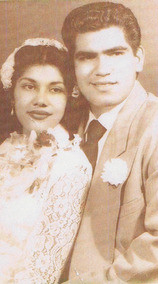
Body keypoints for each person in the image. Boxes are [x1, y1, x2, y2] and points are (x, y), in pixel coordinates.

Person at [61, 2, 158, 283]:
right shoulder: (62, 131)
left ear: (138, 58)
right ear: (73, 65)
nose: (102, 69)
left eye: (115, 53)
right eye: (87, 57)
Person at [0, 38, 92, 283]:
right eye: (29, 86)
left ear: (68, 98)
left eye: (55, 89)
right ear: (12, 95)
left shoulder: (71, 167)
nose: (40, 100)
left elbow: (40, 276)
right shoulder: (5, 149)